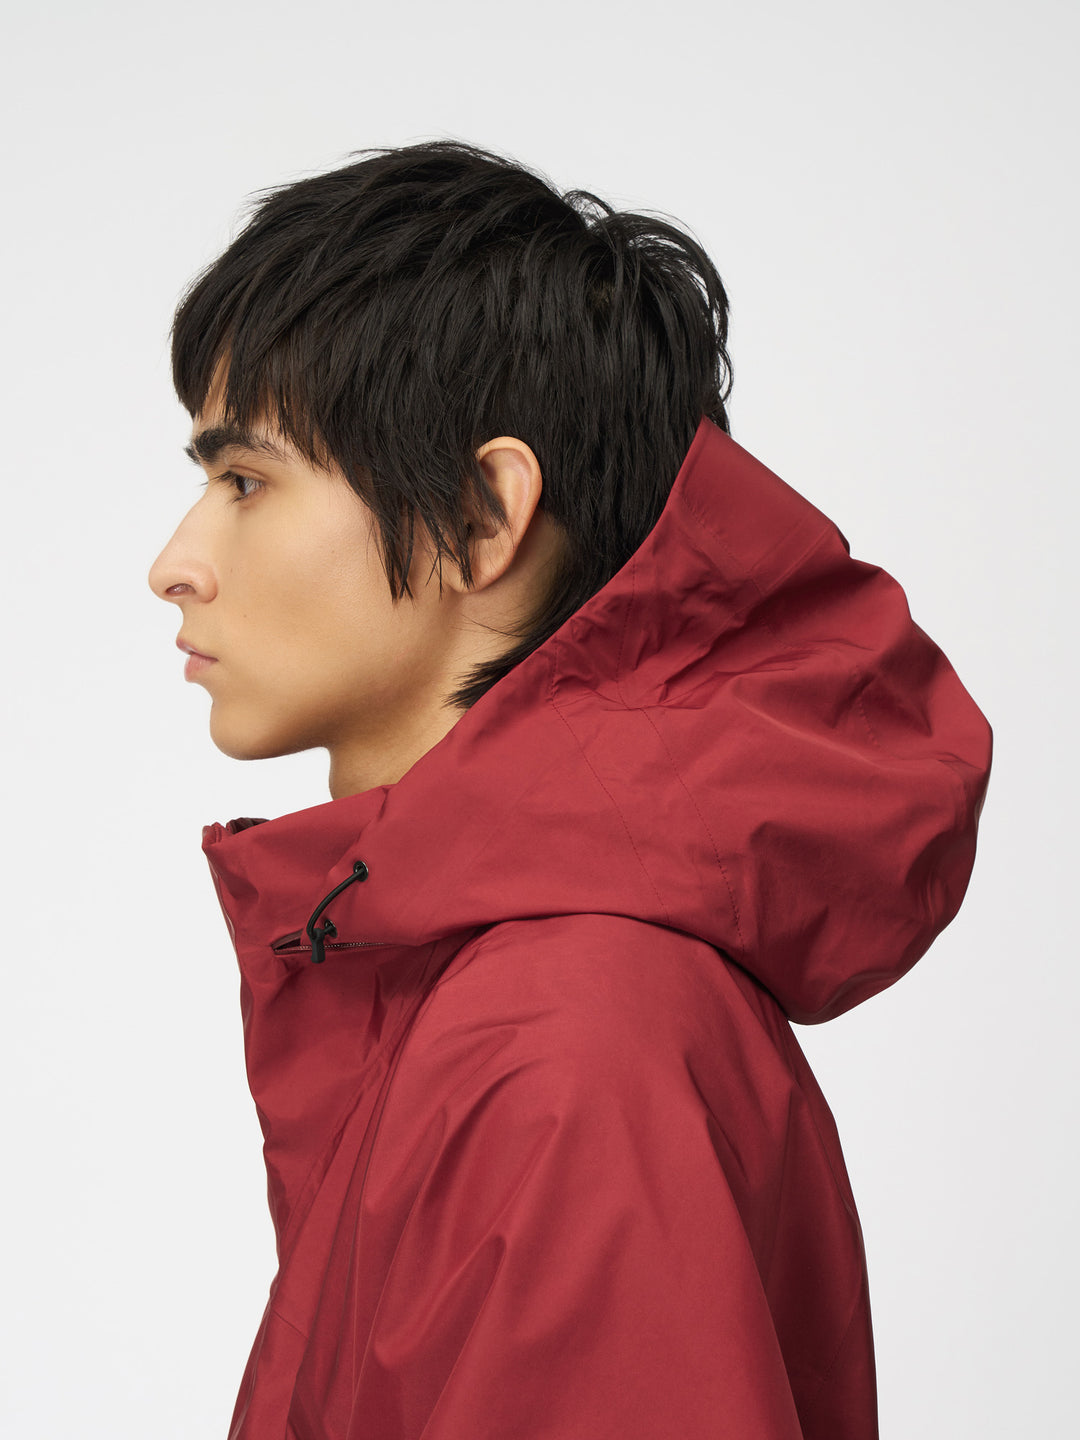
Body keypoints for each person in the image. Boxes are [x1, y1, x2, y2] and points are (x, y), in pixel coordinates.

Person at [147, 139, 993, 1440]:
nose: (176, 562)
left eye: (246, 482)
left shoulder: (562, 1049)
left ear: (482, 517)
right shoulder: (492, 991)